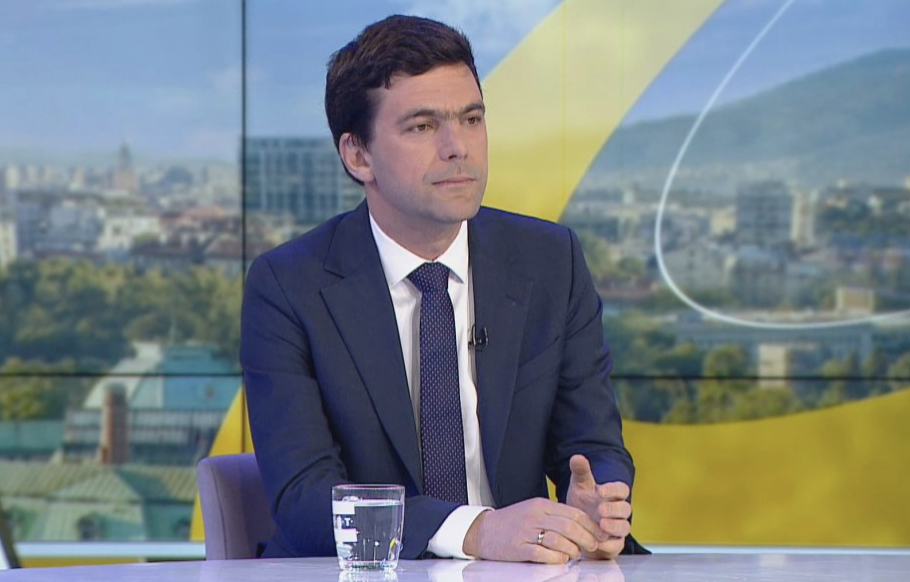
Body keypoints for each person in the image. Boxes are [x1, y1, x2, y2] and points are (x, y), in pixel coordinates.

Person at [240, 14, 641, 563]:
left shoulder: (550, 261)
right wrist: (475, 532)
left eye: (472, 119)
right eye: (423, 127)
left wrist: (601, 501)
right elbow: (306, 500)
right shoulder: (289, 287)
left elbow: (592, 446)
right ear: (358, 155)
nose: (459, 148)